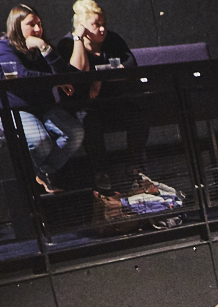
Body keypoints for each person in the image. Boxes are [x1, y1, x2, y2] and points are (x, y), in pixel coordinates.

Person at [0, 4, 84, 191]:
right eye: (31, 24)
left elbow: (64, 74)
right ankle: (31, 184)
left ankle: (43, 173)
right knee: (40, 141)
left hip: (43, 106)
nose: (37, 29)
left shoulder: (42, 46)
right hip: (14, 108)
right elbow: (21, 76)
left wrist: (45, 49)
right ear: (17, 26)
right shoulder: (4, 45)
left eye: (39, 24)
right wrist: (55, 81)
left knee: (75, 133)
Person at [58, 0, 146, 180]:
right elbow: (76, 74)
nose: (102, 29)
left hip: (112, 101)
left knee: (139, 118)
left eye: (103, 24)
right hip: (84, 105)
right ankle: (102, 173)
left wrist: (100, 77)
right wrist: (79, 39)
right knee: (90, 124)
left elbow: (131, 67)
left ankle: (134, 167)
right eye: (95, 25)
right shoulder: (67, 44)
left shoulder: (112, 39)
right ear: (82, 26)